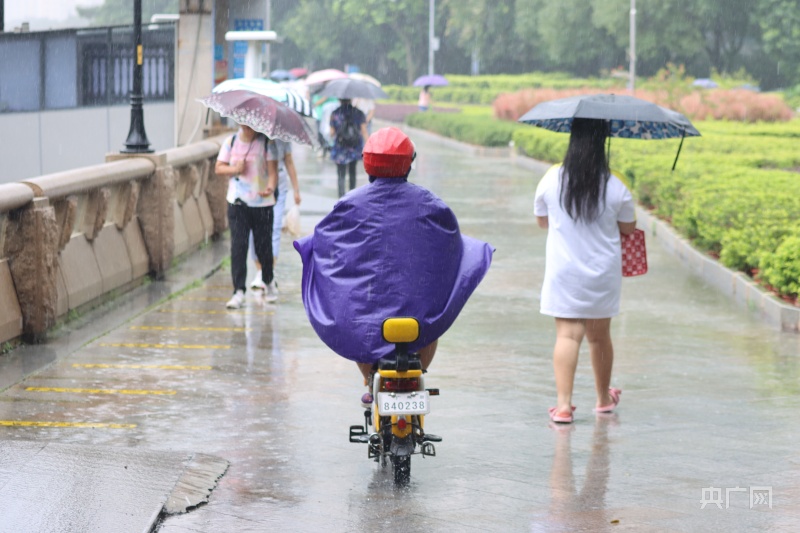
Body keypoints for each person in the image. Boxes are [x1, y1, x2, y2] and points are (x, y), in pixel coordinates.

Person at [294, 127, 493, 402]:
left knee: (354, 328)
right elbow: (450, 245)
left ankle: (368, 381)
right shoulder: (431, 204)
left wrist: (310, 249)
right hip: (417, 312)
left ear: (367, 163)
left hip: (368, 308)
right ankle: (418, 373)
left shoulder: (349, 204)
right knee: (433, 321)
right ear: (408, 163)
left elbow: (327, 242)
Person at [533, 118, 637, 424]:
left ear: (573, 139)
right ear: (603, 142)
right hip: (602, 273)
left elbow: (542, 220)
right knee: (599, 336)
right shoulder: (616, 183)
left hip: (564, 270)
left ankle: (563, 406)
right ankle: (603, 398)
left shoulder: (552, 178)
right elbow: (629, 228)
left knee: (567, 334)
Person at [215, 124, 278, 309]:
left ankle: (269, 279)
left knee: (263, 247)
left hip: (262, 204)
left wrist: (271, 188)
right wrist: (235, 169)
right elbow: (219, 168)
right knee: (238, 246)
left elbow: (273, 173)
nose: (247, 127)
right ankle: (238, 291)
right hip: (237, 203)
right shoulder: (231, 142)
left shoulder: (267, 143)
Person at [249, 138, 302, 298]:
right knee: (255, 229)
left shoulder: (283, 137)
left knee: (274, 228)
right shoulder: (253, 136)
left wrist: (296, 190)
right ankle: (260, 272)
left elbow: (289, 162)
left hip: (279, 184)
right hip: (257, 183)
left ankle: (269, 271)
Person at [329, 98, 368, 197]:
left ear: (339, 99)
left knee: (341, 174)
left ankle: (341, 198)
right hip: (354, 148)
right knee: (352, 172)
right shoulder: (359, 113)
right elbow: (364, 131)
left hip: (340, 148)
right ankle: (352, 196)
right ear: (351, 99)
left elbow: (331, 133)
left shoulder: (335, 113)